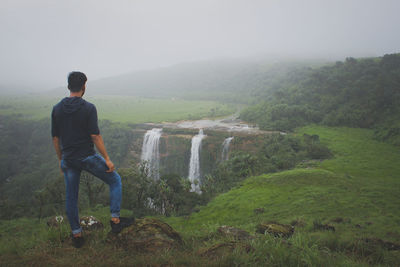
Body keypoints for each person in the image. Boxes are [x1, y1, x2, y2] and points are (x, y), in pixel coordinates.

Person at [51, 71, 133, 248]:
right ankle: (115, 219)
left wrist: (61, 160)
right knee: (115, 180)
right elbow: (95, 136)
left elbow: (55, 139)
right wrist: (107, 159)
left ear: (68, 86)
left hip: (69, 159)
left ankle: (77, 235)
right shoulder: (89, 108)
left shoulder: (57, 109)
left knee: (71, 197)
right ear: (84, 87)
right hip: (87, 157)